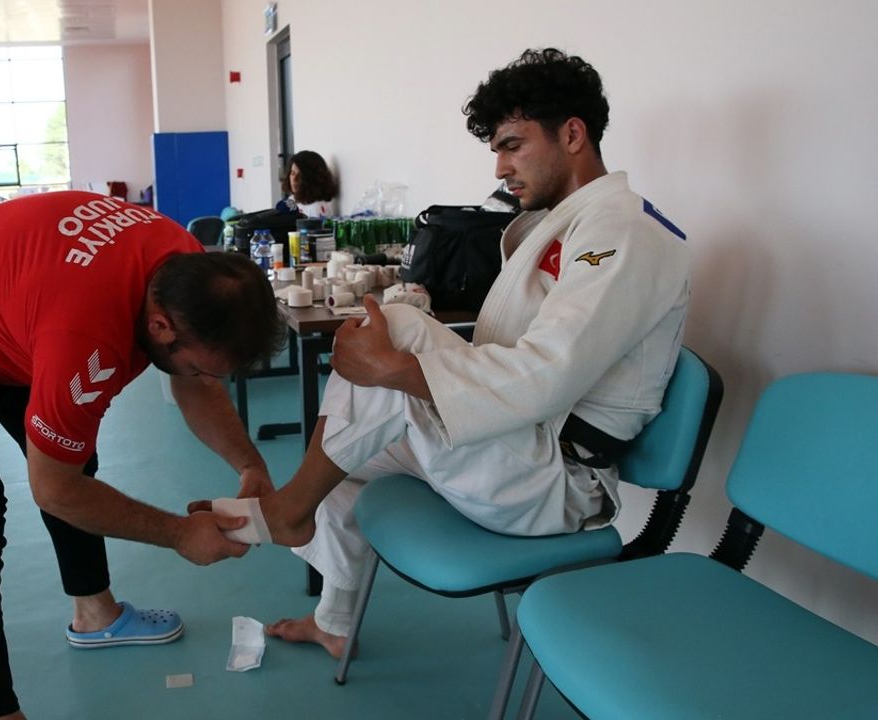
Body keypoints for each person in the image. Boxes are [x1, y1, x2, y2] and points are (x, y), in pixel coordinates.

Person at [224, 48, 692, 657]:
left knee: (390, 366)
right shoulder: (569, 223)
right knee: (350, 432)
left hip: (557, 479)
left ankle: (288, 510)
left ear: (572, 134)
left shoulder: (622, 235)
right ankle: (334, 616)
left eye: (513, 144)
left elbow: (544, 377)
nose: (500, 166)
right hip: (517, 444)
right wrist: (401, 355)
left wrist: (401, 370)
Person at [0, 190, 286, 720]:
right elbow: (54, 489)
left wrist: (250, 466)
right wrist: (179, 534)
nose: (205, 379)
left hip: (11, 323)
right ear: (160, 327)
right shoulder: (88, 342)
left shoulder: (186, 270)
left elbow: (193, 382)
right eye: (202, 366)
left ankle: (94, 614)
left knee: (75, 457)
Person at [278, 150, 337, 218]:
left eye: (300, 175)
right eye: (293, 173)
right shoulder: (292, 201)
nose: (294, 179)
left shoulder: (316, 208)